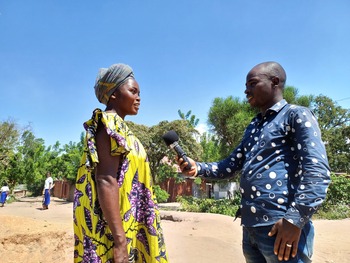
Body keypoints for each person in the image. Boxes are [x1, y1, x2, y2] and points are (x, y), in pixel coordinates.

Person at [177, 61, 331, 263]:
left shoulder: (295, 115)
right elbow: (230, 165)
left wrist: (295, 220)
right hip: (251, 230)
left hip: (281, 226)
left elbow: (317, 171)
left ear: (274, 82)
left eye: (252, 83)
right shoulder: (254, 126)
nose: (246, 90)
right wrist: (198, 168)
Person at [73, 63, 168, 263]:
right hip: (113, 231)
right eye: (133, 91)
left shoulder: (122, 128)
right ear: (114, 94)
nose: (138, 97)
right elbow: (106, 180)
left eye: (139, 92)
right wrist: (120, 241)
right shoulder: (108, 124)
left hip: (128, 223)